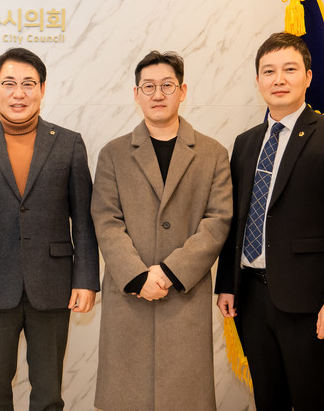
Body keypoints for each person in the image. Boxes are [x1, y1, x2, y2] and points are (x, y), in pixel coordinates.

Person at [215, 32, 324, 410]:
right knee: (269, 401)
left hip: (310, 303)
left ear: (309, 77)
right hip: (252, 300)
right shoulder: (246, 142)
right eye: (269, 71)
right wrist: (227, 284)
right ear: (258, 81)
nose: (279, 79)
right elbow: (236, 220)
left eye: (290, 69)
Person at [0, 47, 100, 411]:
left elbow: (84, 220)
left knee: (48, 394)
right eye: (9, 83)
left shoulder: (69, 143)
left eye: (28, 84)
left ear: (42, 89)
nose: (19, 93)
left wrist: (86, 280)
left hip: (53, 284)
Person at [91, 51, 232, 410]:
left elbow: (217, 221)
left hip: (184, 295)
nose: (158, 94)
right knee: (127, 399)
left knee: (184, 400)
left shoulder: (213, 153)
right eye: (149, 87)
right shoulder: (113, 154)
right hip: (130, 296)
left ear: (183, 91)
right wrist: (138, 276)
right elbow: (106, 221)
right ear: (136, 94)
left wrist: (169, 271)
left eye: (167, 85)